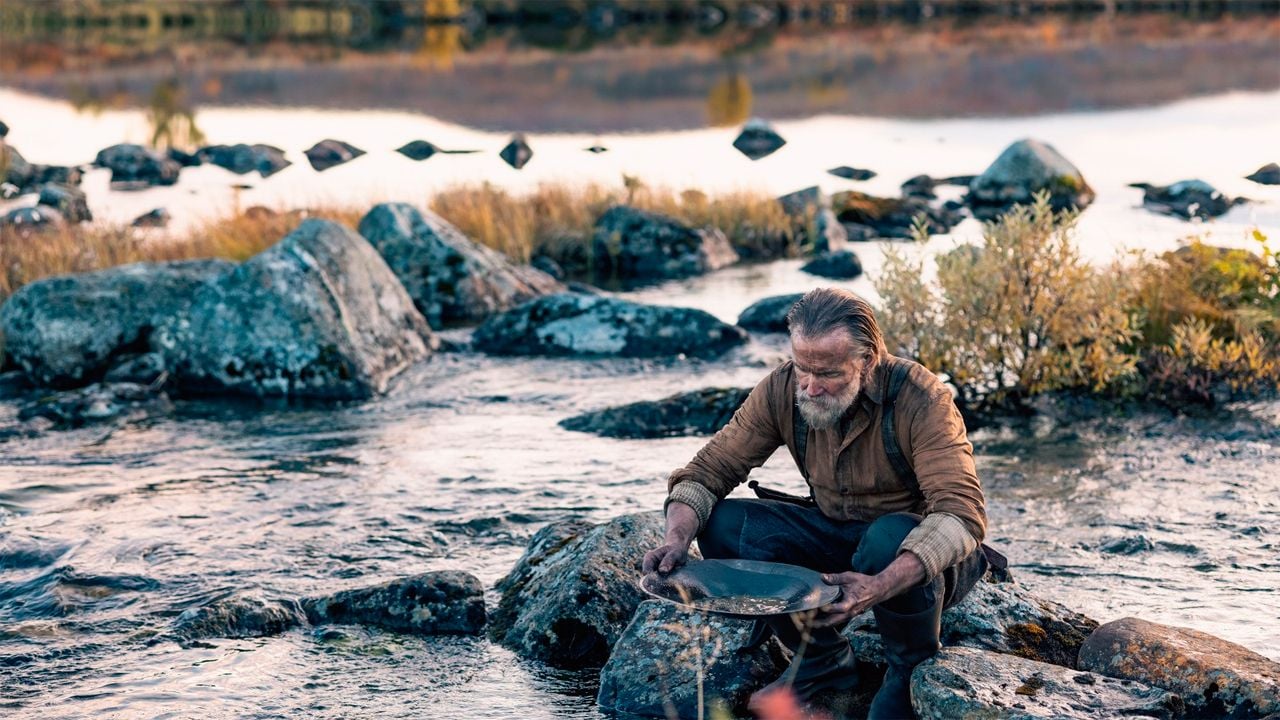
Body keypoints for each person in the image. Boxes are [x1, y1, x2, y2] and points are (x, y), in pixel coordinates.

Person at [642, 287, 991, 719]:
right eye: (802, 366)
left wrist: (878, 586)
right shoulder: (783, 388)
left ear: (866, 361)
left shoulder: (921, 397)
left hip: (914, 560)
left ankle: (907, 668)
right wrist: (677, 539)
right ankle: (821, 658)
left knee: (887, 537)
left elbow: (961, 514)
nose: (809, 385)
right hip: (833, 534)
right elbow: (705, 474)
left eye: (826, 373)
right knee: (721, 524)